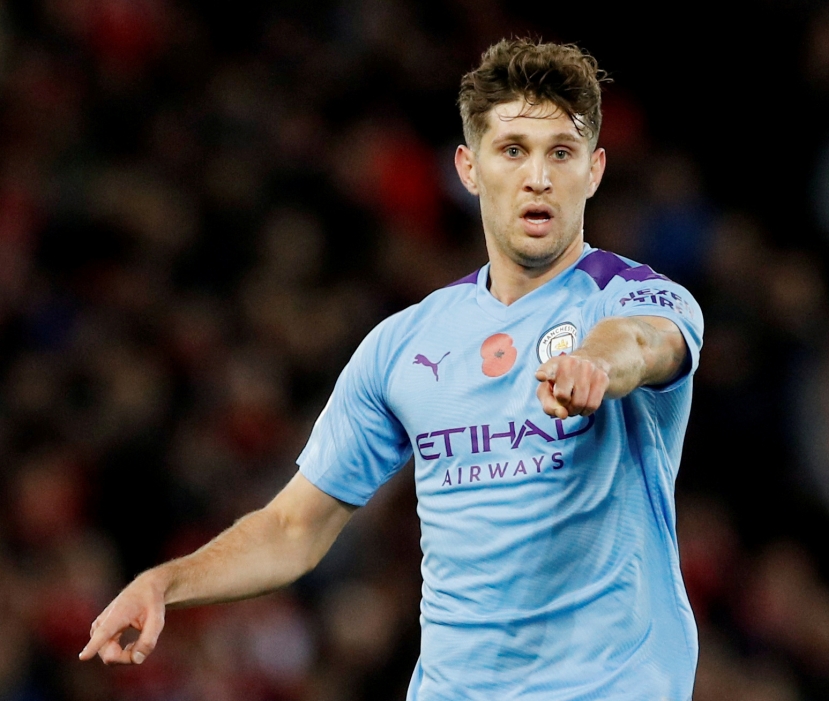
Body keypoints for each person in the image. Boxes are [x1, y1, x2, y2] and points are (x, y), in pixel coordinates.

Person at [80, 38, 705, 700]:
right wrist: (167, 581)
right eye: (513, 150)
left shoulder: (634, 295)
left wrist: (596, 366)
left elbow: (643, 343)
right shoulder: (403, 344)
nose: (539, 177)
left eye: (561, 152)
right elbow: (294, 528)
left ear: (595, 169)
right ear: (469, 167)